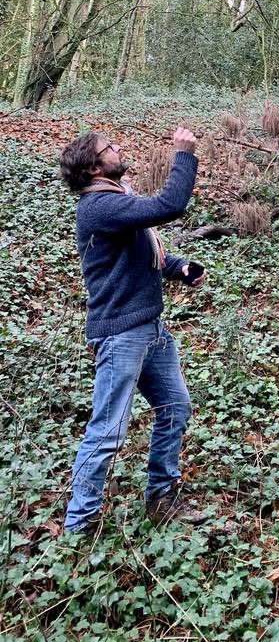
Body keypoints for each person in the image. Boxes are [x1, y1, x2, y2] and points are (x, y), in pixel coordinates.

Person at [59, 126, 206, 536]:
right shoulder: (99, 207)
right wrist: (184, 154)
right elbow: (169, 205)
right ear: (93, 168)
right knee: (108, 430)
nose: (118, 148)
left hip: (150, 328)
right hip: (122, 335)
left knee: (175, 407)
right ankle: (79, 526)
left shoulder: (116, 203)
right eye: (110, 148)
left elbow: (139, 250)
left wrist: (178, 267)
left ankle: (161, 496)